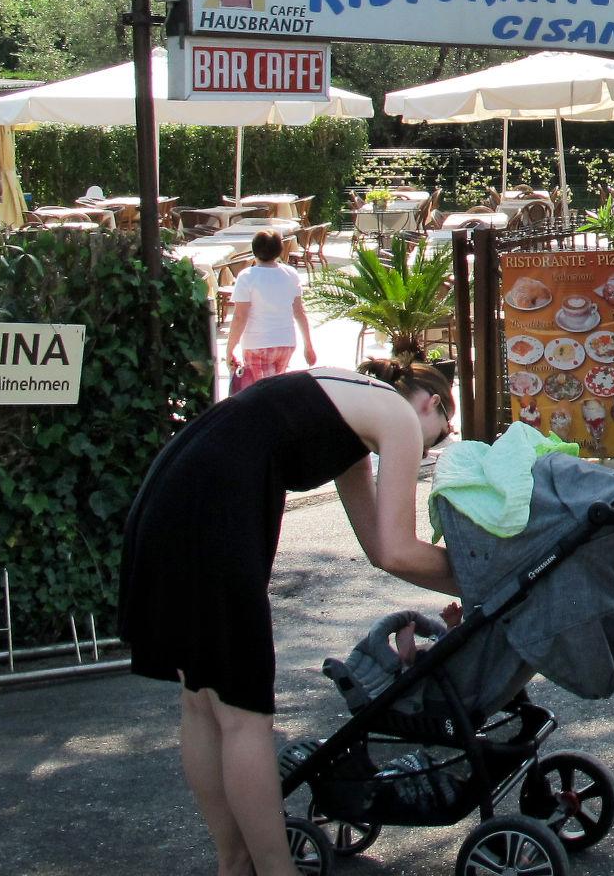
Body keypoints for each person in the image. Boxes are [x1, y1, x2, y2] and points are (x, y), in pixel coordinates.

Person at [120, 360, 460, 876]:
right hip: (216, 500)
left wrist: (460, 580)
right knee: (243, 710)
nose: (432, 447)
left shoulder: (352, 407)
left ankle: (235, 864)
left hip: (176, 484)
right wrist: (484, 579)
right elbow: (398, 550)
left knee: (203, 699)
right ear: (431, 403)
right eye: (442, 433)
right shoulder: (395, 416)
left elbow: (376, 547)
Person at [225, 230, 316, 393]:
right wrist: (308, 345)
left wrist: (230, 348)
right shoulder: (291, 274)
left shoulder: (247, 277)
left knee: (263, 396)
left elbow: (240, 316)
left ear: (254, 250)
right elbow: (299, 312)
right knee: (276, 391)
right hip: (286, 342)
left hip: (257, 343)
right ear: (279, 250)